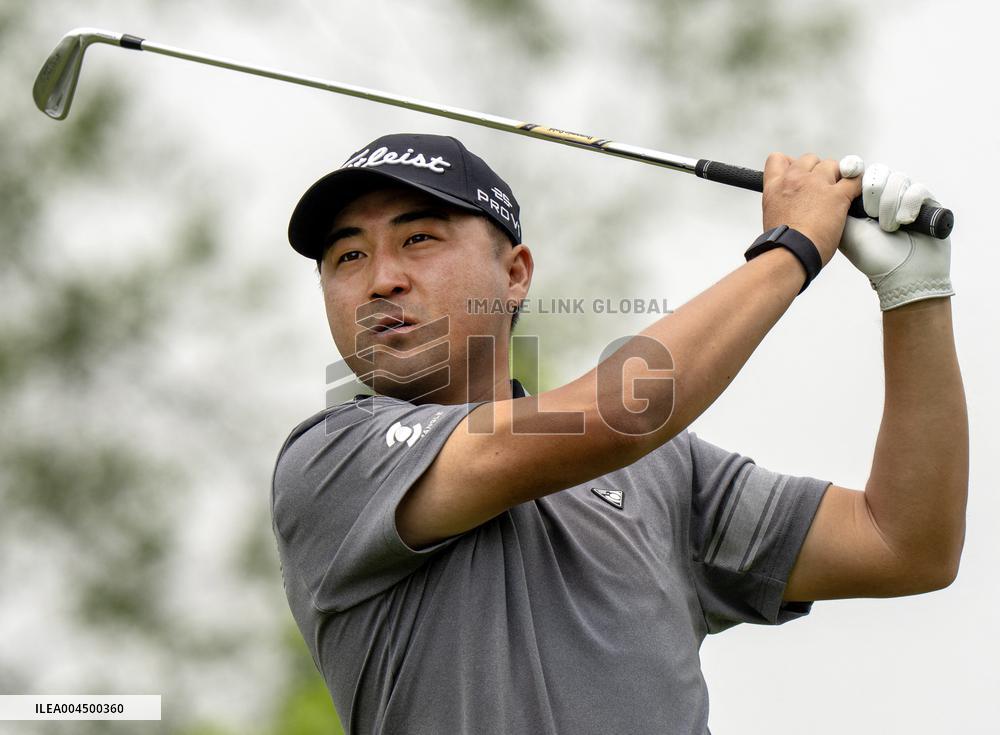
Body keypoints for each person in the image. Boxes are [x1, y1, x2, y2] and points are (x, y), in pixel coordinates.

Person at [271, 133, 967, 734]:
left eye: (417, 238)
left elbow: (904, 544)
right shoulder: (332, 459)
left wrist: (915, 297)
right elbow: (620, 411)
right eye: (347, 257)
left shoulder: (661, 471)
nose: (381, 279)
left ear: (514, 275)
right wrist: (790, 250)